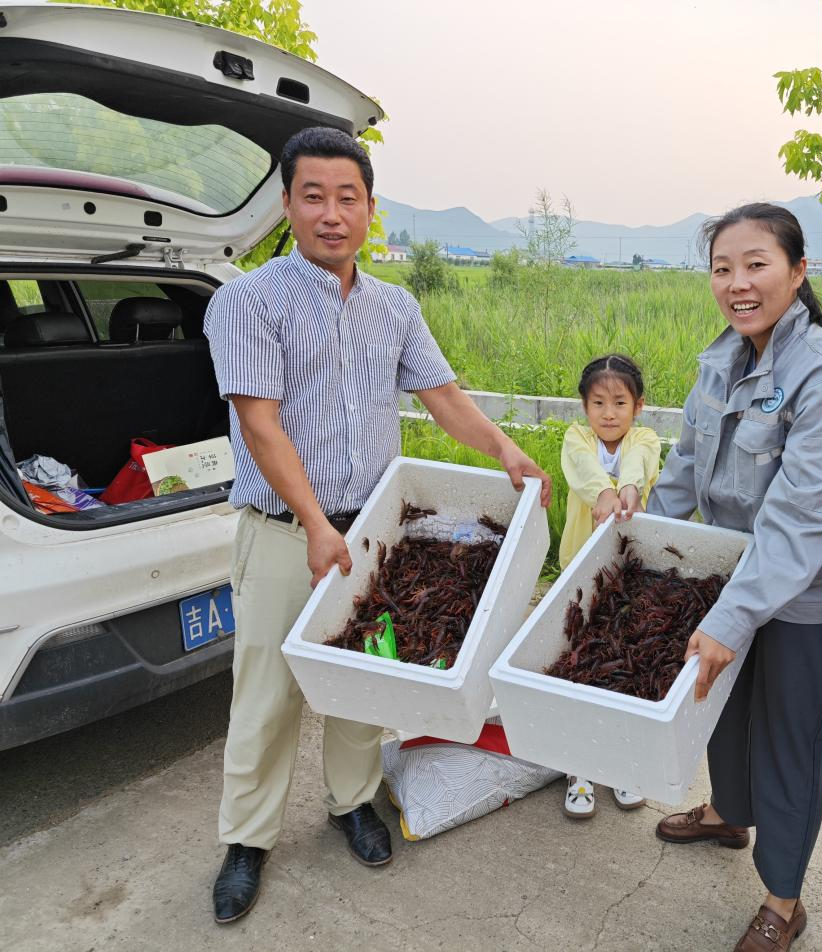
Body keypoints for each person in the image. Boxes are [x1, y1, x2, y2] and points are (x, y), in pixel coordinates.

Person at [203, 126, 551, 925]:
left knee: (364, 679)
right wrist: (318, 524)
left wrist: (504, 450)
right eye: (313, 196)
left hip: (375, 537)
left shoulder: (395, 305)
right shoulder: (247, 301)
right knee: (266, 697)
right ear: (287, 204)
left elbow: (442, 393)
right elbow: (261, 425)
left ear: (370, 208)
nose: (332, 214)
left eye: (347, 197)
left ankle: (353, 802)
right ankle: (247, 841)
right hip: (288, 534)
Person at [647, 203, 822, 951]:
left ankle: (784, 899)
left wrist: (728, 616)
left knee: (788, 737)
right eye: (722, 268)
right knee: (724, 709)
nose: (737, 283)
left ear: (798, 271)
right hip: (730, 579)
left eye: (756, 265)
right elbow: (685, 469)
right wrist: (642, 545)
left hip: (804, 596)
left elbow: (801, 522)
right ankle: (726, 814)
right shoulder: (722, 359)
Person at [558, 353, 662, 818]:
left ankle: (621, 763)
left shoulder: (645, 438)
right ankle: (577, 768)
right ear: (584, 408)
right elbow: (582, 468)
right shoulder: (576, 438)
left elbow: (640, 460)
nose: (608, 413)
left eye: (620, 402)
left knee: (623, 664)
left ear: (638, 406)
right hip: (579, 574)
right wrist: (604, 491)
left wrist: (630, 487)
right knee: (576, 663)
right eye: (598, 403)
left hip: (629, 578)